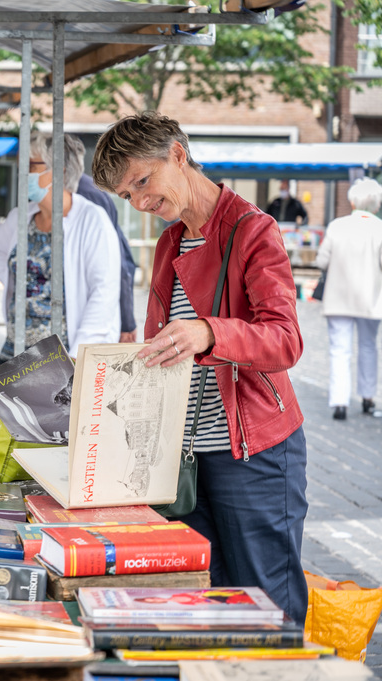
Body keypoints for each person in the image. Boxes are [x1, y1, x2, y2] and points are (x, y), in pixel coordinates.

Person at [93, 111, 307, 625]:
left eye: (142, 182)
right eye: (127, 196)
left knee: (268, 599)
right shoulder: (170, 243)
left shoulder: (253, 229)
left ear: (177, 154)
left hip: (252, 451)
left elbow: (286, 339)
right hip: (183, 455)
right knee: (205, 599)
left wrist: (210, 332)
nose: (141, 202)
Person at [0, 129, 138, 340]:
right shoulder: (21, 216)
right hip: (17, 351)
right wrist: (19, 284)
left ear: (60, 171)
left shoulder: (92, 219)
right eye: (21, 166)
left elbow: (104, 294)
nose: (23, 173)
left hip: (65, 357)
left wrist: (77, 357)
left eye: (31, 166)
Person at [313, 178, 382, 421]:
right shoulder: (379, 228)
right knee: (367, 347)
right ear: (375, 204)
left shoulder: (337, 226)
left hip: (338, 298)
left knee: (339, 350)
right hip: (370, 299)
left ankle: (340, 402)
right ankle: (367, 397)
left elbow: (321, 261)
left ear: (352, 201)